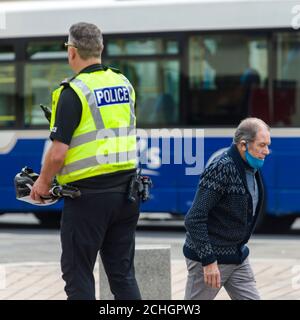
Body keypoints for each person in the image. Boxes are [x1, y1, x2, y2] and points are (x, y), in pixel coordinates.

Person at [30, 22, 141, 300]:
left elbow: (58, 153)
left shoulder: (73, 93)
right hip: (127, 194)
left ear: (72, 52)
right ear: (100, 48)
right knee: (122, 274)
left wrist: (42, 185)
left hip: (88, 199)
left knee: (78, 273)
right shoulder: (123, 83)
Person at [183, 117, 271, 300]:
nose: (267, 151)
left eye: (267, 145)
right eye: (262, 145)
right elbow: (194, 218)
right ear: (243, 145)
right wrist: (208, 261)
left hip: (238, 257)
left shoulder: (252, 168)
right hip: (208, 260)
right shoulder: (221, 168)